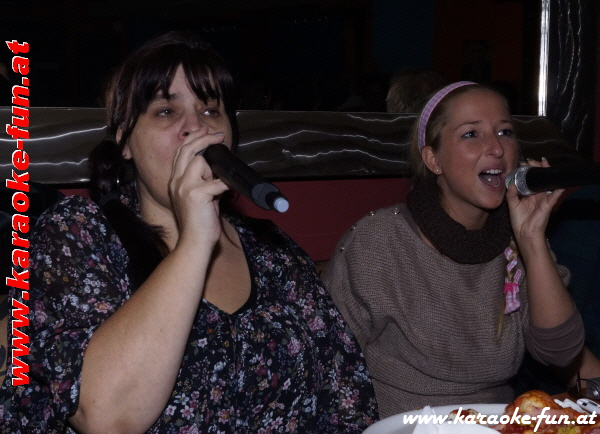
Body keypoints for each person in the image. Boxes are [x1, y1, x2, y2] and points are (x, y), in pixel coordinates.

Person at [0, 31, 378, 433]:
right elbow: (105, 416)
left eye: (211, 110)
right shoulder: (76, 234)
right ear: (124, 140)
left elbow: (347, 396)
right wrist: (195, 240)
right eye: (166, 111)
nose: (195, 127)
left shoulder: (272, 250)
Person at [323, 81, 584, 418]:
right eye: (471, 134)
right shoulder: (379, 241)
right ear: (433, 160)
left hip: (494, 423)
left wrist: (532, 238)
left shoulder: (520, 240)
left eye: (505, 132)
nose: (496, 148)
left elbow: (561, 353)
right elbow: (327, 365)